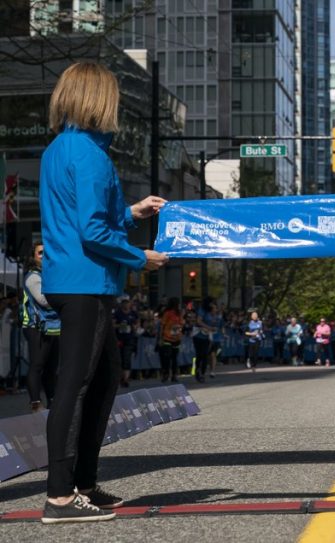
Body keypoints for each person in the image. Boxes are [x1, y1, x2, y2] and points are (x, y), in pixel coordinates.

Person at [38, 62, 168, 523]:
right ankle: (59, 496)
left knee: (103, 379)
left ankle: (84, 484)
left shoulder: (60, 149)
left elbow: (84, 220)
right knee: (75, 387)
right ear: (99, 99)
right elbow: (92, 231)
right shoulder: (90, 155)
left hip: (71, 277)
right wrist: (141, 257)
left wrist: (132, 212)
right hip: (86, 281)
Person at [23, 243, 61, 412]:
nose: (44, 255)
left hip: (53, 327)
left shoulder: (50, 274)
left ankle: (52, 402)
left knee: (51, 368)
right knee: (37, 365)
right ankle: (35, 404)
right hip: (36, 326)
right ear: (33, 257)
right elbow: (44, 300)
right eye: (40, 253)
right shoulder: (33, 277)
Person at [112, 297, 138, 387]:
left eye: (127, 303)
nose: (126, 304)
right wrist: (120, 326)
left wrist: (135, 327)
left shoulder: (133, 313)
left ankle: (126, 379)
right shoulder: (117, 313)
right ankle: (120, 377)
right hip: (119, 339)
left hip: (129, 339)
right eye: (124, 303)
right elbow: (113, 324)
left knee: (127, 358)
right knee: (119, 359)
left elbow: (136, 323)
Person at [158, 298, 184, 383]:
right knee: (167, 356)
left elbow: (181, 324)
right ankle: (166, 373)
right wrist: (160, 337)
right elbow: (162, 325)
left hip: (176, 338)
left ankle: (174, 375)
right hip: (167, 337)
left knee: (174, 358)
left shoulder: (179, 314)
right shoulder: (167, 313)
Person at [192, 298, 217, 383]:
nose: (212, 305)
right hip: (198, 335)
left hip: (207, 336)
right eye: (211, 303)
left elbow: (213, 322)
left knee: (205, 355)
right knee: (199, 355)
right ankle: (197, 372)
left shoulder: (211, 312)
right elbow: (198, 321)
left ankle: (202, 373)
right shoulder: (201, 310)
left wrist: (214, 313)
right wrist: (208, 327)